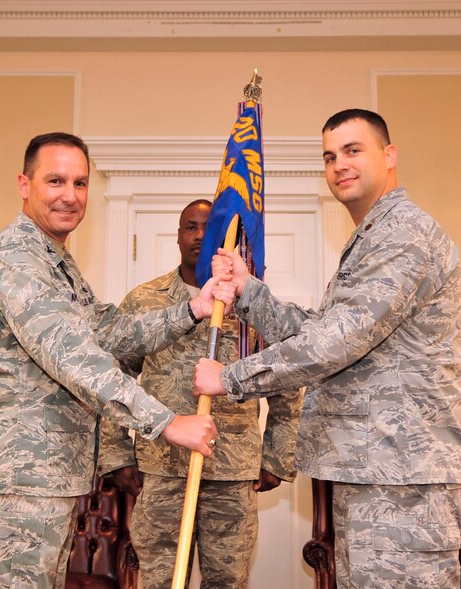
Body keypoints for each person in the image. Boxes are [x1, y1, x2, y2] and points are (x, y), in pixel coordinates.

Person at [194, 109, 461, 588]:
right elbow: (324, 329)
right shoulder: (371, 236)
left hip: (400, 479)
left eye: (352, 150)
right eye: (329, 156)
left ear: (389, 156)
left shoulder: (403, 234)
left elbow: (336, 342)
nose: (339, 164)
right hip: (376, 470)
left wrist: (230, 378)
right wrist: (249, 290)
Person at [0, 132, 235, 588]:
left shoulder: (55, 261)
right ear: (24, 185)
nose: (70, 196)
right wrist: (166, 423)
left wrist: (192, 309)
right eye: (55, 181)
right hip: (14, 486)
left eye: (80, 183)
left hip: (46, 482)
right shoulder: (16, 258)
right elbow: (72, 355)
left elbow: (109, 332)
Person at [98, 199, 301, 589]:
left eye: (210, 228)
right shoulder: (145, 300)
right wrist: (117, 453)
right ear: (177, 236)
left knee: (226, 581)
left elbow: (286, 382)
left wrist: (276, 456)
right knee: (159, 580)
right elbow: (114, 376)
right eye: (190, 227)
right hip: (161, 467)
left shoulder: (252, 303)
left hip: (232, 469)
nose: (199, 236)